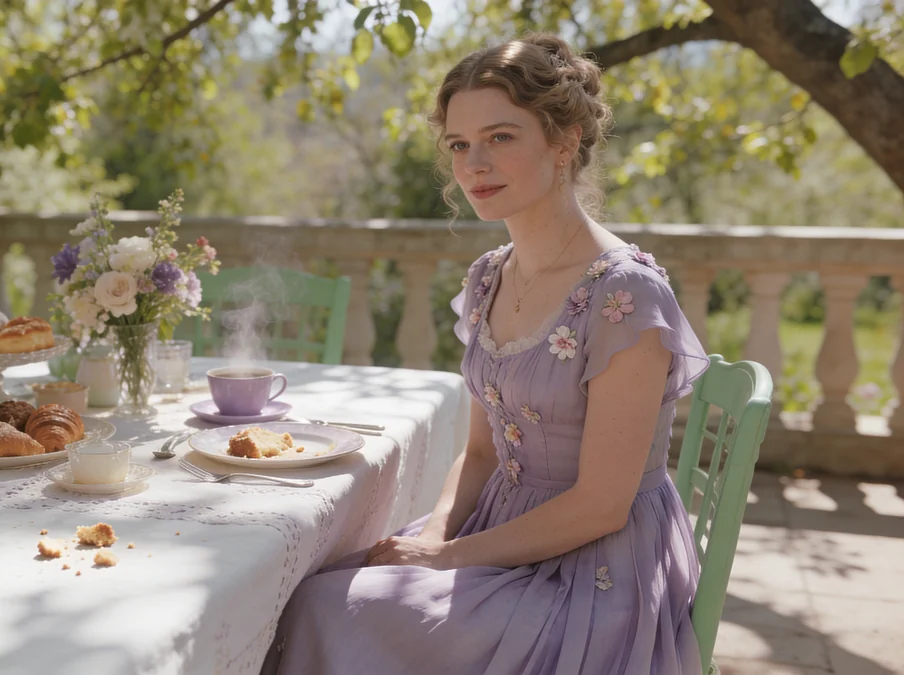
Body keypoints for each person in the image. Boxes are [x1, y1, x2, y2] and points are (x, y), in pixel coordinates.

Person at [271, 33, 709, 675]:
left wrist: (446, 560)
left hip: (596, 568)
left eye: (500, 137)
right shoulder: (489, 277)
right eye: (459, 144)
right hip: (497, 526)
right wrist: (434, 534)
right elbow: (480, 453)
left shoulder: (626, 294)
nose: (474, 163)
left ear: (563, 142)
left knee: (329, 608)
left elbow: (602, 504)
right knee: (321, 582)